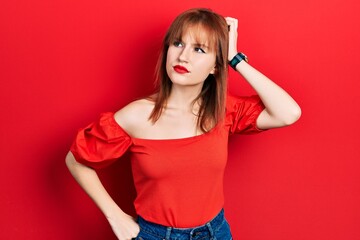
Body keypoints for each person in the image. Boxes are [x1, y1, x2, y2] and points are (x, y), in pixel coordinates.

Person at [66, 8, 301, 240]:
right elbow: (75, 160)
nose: (183, 56)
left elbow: (288, 113)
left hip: (215, 233)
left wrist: (234, 59)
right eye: (178, 44)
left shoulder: (223, 110)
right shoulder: (136, 116)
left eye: (199, 49)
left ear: (215, 67)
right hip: (155, 236)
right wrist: (114, 216)